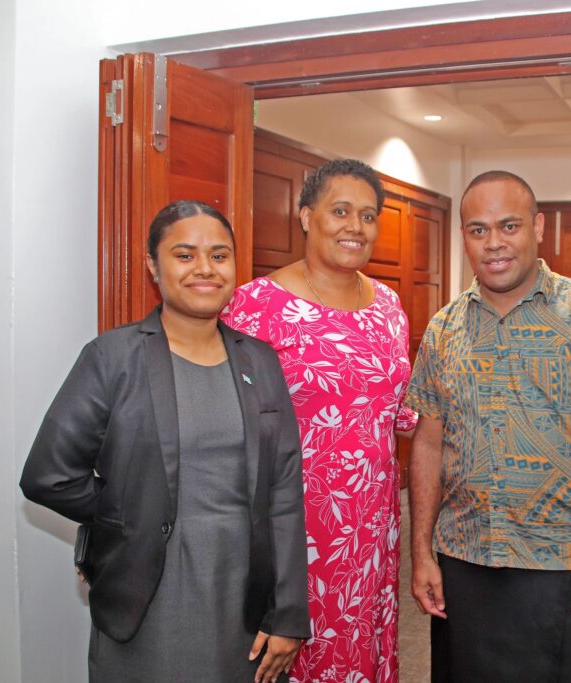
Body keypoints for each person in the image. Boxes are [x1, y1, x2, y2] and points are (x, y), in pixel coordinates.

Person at [20, 200, 309, 683]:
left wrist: (289, 613)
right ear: (154, 267)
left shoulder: (260, 360)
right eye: (185, 255)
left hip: (244, 592)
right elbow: (49, 477)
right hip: (148, 593)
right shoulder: (113, 357)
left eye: (219, 255)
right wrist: (127, 516)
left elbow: (283, 491)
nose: (205, 268)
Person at [405, 170, 571, 682]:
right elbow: (428, 445)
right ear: (464, 236)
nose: (494, 243)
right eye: (478, 229)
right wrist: (421, 552)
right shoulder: (443, 330)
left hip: (564, 569)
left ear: (537, 227)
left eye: (508, 226)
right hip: (465, 561)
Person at [222, 159, 416, 683]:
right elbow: (226, 427)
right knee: (297, 656)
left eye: (368, 216)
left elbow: (398, 412)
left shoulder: (389, 306)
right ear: (307, 216)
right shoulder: (255, 307)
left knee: (362, 650)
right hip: (296, 527)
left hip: (373, 526)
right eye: (340, 211)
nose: (356, 226)